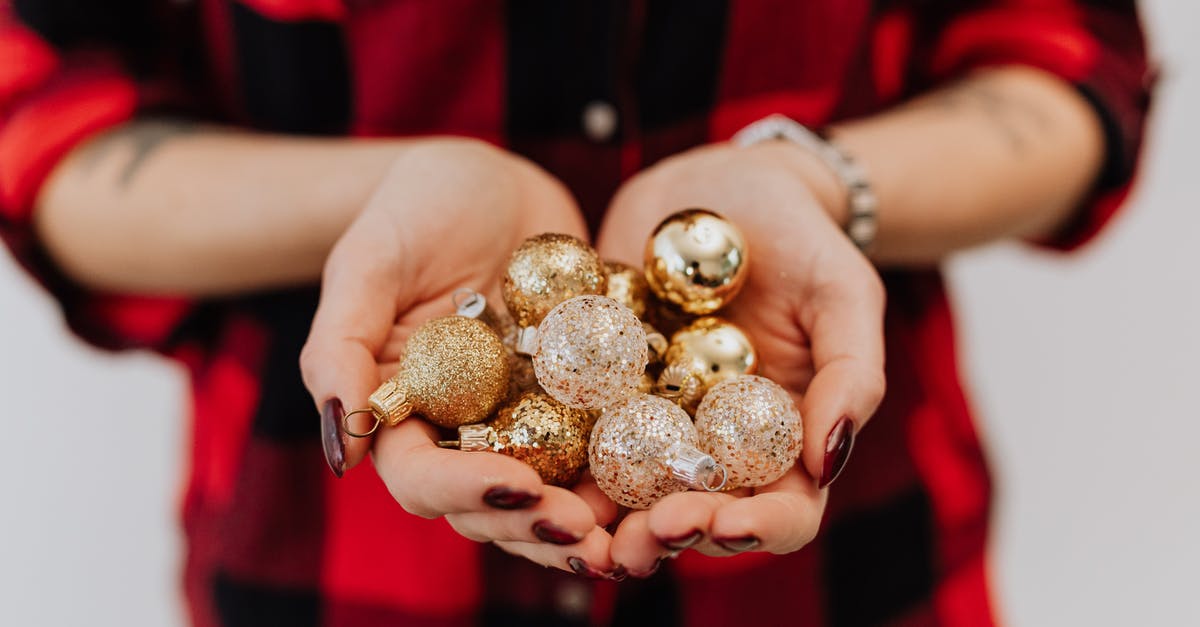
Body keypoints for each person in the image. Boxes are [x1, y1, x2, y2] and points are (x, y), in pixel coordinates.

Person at [0, 1, 1150, 625]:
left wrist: (816, 183)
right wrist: (377, 203)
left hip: (851, 572)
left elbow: (1066, 60)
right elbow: (37, 115)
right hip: (328, 575)